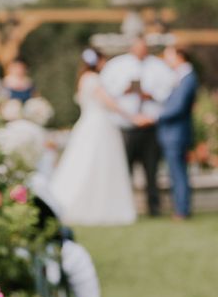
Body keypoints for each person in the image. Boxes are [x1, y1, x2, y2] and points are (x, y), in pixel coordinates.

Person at [49, 49, 139, 226]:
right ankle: (98, 207)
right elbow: (109, 103)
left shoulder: (83, 79)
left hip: (87, 124)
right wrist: (132, 117)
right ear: (98, 61)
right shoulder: (94, 79)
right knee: (99, 165)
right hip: (99, 125)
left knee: (83, 164)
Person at [100, 37, 176, 216]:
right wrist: (124, 90)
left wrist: (152, 95)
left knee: (152, 169)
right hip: (127, 127)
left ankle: (154, 207)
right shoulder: (117, 65)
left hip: (150, 127)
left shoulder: (159, 66)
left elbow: (169, 91)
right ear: (131, 48)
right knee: (125, 169)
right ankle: (124, 207)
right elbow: (105, 92)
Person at [158, 46, 199, 219]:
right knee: (176, 172)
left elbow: (178, 107)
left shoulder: (188, 78)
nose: (166, 59)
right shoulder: (180, 77)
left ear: (180, 56)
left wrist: (155, 116)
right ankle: (181, 208)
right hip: (174, 133)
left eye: (168, 55)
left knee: (178, 172)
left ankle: (182, 210)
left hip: (177, 133)